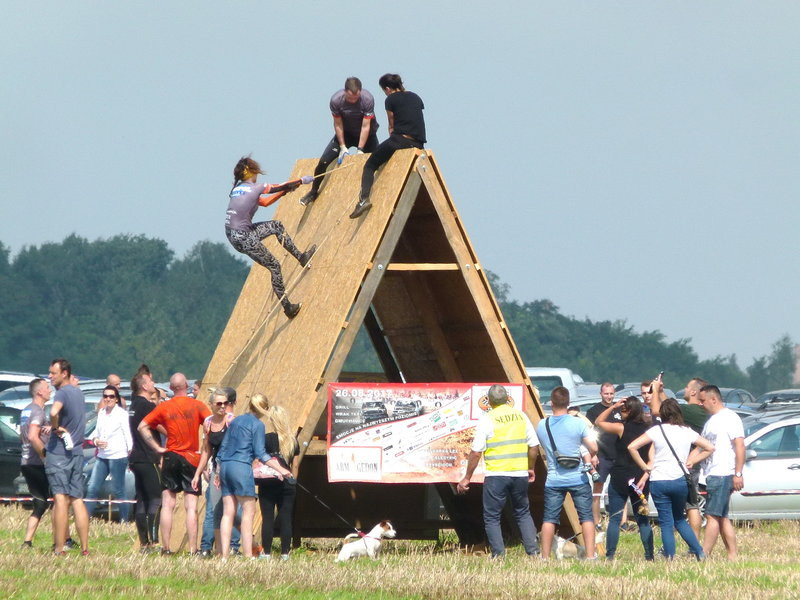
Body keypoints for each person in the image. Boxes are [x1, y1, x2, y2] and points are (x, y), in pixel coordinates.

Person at [225, 156, 317, 318]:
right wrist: (301, 181)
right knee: (274, 266)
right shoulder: (256, 187)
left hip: (236, 233)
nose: (257, 176)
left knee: (276, 226)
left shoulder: (238, 188)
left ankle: (301, 258)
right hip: (243, 236)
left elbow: (265, 203)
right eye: (256, 172)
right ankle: (287, 307)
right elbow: (280, 186)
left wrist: (284, 193)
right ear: (252, 172)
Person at [456, 385, 540, 558]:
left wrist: (467, 478)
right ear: (507, 399)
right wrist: (530, 467)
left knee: (492, 516)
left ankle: (498, 555)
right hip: (519, 474)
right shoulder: (521, 416)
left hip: (497, 475)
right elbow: (534, 446)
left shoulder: (488, 418)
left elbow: (476, 452)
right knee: (523, 513)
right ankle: (533, 552)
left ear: (490, 401)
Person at [627, 398, 714, 560]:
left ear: (663, 414)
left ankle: (670, 557)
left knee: (666, 522)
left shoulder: (656, 431)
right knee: (680, 519)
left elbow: (632, 447)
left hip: (659, 480)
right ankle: (699, 552)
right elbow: (710, 447)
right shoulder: (686, 431)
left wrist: (644, 466)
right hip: (679, 480)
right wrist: (692, 461)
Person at [138, 372, 211, 555]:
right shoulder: (197, 405)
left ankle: (166, 547)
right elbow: (210, 425)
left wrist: (157, 447)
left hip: (170, 456)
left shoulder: (165, 407)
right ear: (187, 385)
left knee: (168, 504)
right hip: (192, 457)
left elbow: (142, 427)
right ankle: (193, 550)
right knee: (191, 506)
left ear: (171, 388)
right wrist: (207, 447)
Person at [217, 394, 292, 558]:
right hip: (241, 467)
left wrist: (217, 471)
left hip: (225, 466)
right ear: (264, 409)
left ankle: (223, 556)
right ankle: (248, 555)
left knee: (228, 512)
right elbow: (261, 454)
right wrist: (281, 469)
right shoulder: (258, 425)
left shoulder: (235, 421)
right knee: (248, 512)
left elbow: (223, 448)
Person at [349, 73, 426, 219]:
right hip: (418, 142)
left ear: (388, 88)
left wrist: (391, 142)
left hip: (400, 140)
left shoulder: (390, 99)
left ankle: (363, 200)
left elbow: (391, 124)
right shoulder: (416, 97)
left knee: (370, 165)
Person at [536, 386, 598, 559]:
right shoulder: (577, 423)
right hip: (578, 477)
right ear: (568, 403)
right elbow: (594, 447)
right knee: (586, 517)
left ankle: (545, 557)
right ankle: (591, 556)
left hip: (554, 479)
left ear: (551, 402)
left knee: (549, 519)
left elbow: (542, 445)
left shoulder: (542, 425)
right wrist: (590, 455)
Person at [298, 76, 380, 206]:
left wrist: (360, 149)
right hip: (345, 133)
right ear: (345, 91)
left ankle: (371, 195)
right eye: (350, 98)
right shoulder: (336, 100)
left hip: (366, 135)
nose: (353, 101)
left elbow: (366, 126)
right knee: (323, 161)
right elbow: (338, 124)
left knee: (379, 161)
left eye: (356, 98)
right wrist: (342, 146)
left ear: (360, 91)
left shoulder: (367, 99)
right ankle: (313, 191)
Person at [595, 396, 654, 560]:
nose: (621, 412)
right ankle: (649, 555)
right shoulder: (648, 429)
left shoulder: (621, 428)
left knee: (614, 518)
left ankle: (610, 555)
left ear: (629, 411)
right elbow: (651, 457)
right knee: (643, 519)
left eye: (623, 409)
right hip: (640, 477)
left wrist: (612, 406)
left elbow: (599, 422)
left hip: (620, 476)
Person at [650, 377, 709, 538]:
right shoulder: (696, 411)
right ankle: (694, 543)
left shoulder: (691, 410)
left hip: (687, 463)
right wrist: (662, 392)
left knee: (691, 505)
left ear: (693, 392)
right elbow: (671, 408)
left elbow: (657, 411)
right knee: (691, 503)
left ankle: (695, 542)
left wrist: (655, 390)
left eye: (686, 386)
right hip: (691, 462)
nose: (684, 388)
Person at [46, 358, 90, 556]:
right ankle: (85, 548)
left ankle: (59, 548)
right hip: (77, 451)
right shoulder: (78, 393)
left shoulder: (62, 392)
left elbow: (54, 411)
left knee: (61, 499)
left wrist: (55, 427)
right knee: (77, 499)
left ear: (64, 373)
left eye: (53, 373)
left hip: (59, 452)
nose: (50, 376)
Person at [191, 387, 240, 557]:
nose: (223, 406)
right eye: (219, 403)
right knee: (215, 509)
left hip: (232, 469)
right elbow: (206, 450)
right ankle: (217, 550)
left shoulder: (232, 421)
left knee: (236, 511)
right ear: (211, 404)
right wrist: (198, 473)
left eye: (226, 403)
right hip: (216, 471)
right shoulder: (208, 423)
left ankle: (241, 545)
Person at [698, 384, 745, 560]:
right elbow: (701, 446)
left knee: (712, 515)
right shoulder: (711, 420)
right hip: (712, 473)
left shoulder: (730, 418)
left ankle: (704, 554)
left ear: (714, 399)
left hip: (723, 473)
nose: (701, 404)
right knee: (722, 517)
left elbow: (740, 445)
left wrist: (737, 473)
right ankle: (732, 555)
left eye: (703, 401)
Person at [257, 404, 299, 560]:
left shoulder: (266, 439)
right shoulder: (292, 440)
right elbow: (295, 464)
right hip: (288, 483)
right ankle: (285, 553)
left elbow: (260, 459)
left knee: (267, 518)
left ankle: (266, 552)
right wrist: (293, 479)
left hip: (268, 482)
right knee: (286, 518)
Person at [86, 385, 133, 521]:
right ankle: (86, 517)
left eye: (111, 396)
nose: (108, 399)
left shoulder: (121, 414)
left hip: (118, 456)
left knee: (119, 490)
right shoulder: (101, 413)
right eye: (105, 396)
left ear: (116, 399)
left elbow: (127, 434)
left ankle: (124, 519)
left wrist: (129, 452)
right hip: (102, 456)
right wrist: (96, 442)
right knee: (92, 487)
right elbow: (96, 434)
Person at [128, 371, 163, 551]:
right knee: (157, 499)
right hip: (149, 458)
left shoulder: (133, 405)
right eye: (151, 381)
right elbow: (161, 426)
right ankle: (155, 541)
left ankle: (144, 542)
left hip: (136, 458)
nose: (154, 383)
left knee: (141, 499)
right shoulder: (148, 406)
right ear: (144, 386)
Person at [19, 378, 54, 548]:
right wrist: (45, 455)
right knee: (56, 501)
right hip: (37, 463)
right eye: (47, 388)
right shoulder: (39, 412)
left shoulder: (25, 410)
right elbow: (33, 436)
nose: (50, 390)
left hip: (25, 461)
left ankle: (27, 541)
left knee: (41, 503)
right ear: (39, 392)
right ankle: (62, 540)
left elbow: (23, 435)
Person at [586, 382, 620, 529]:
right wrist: (593, 454)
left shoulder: (620, 410)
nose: (609, 396)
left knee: (620, 489)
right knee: (597, 490)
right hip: (602, 455)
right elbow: (589, 434)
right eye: (606, 393)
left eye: (611, 393)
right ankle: (596, 521)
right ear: (601, 394)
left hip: (618, 455)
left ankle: (622, 521)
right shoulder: (594, 411)